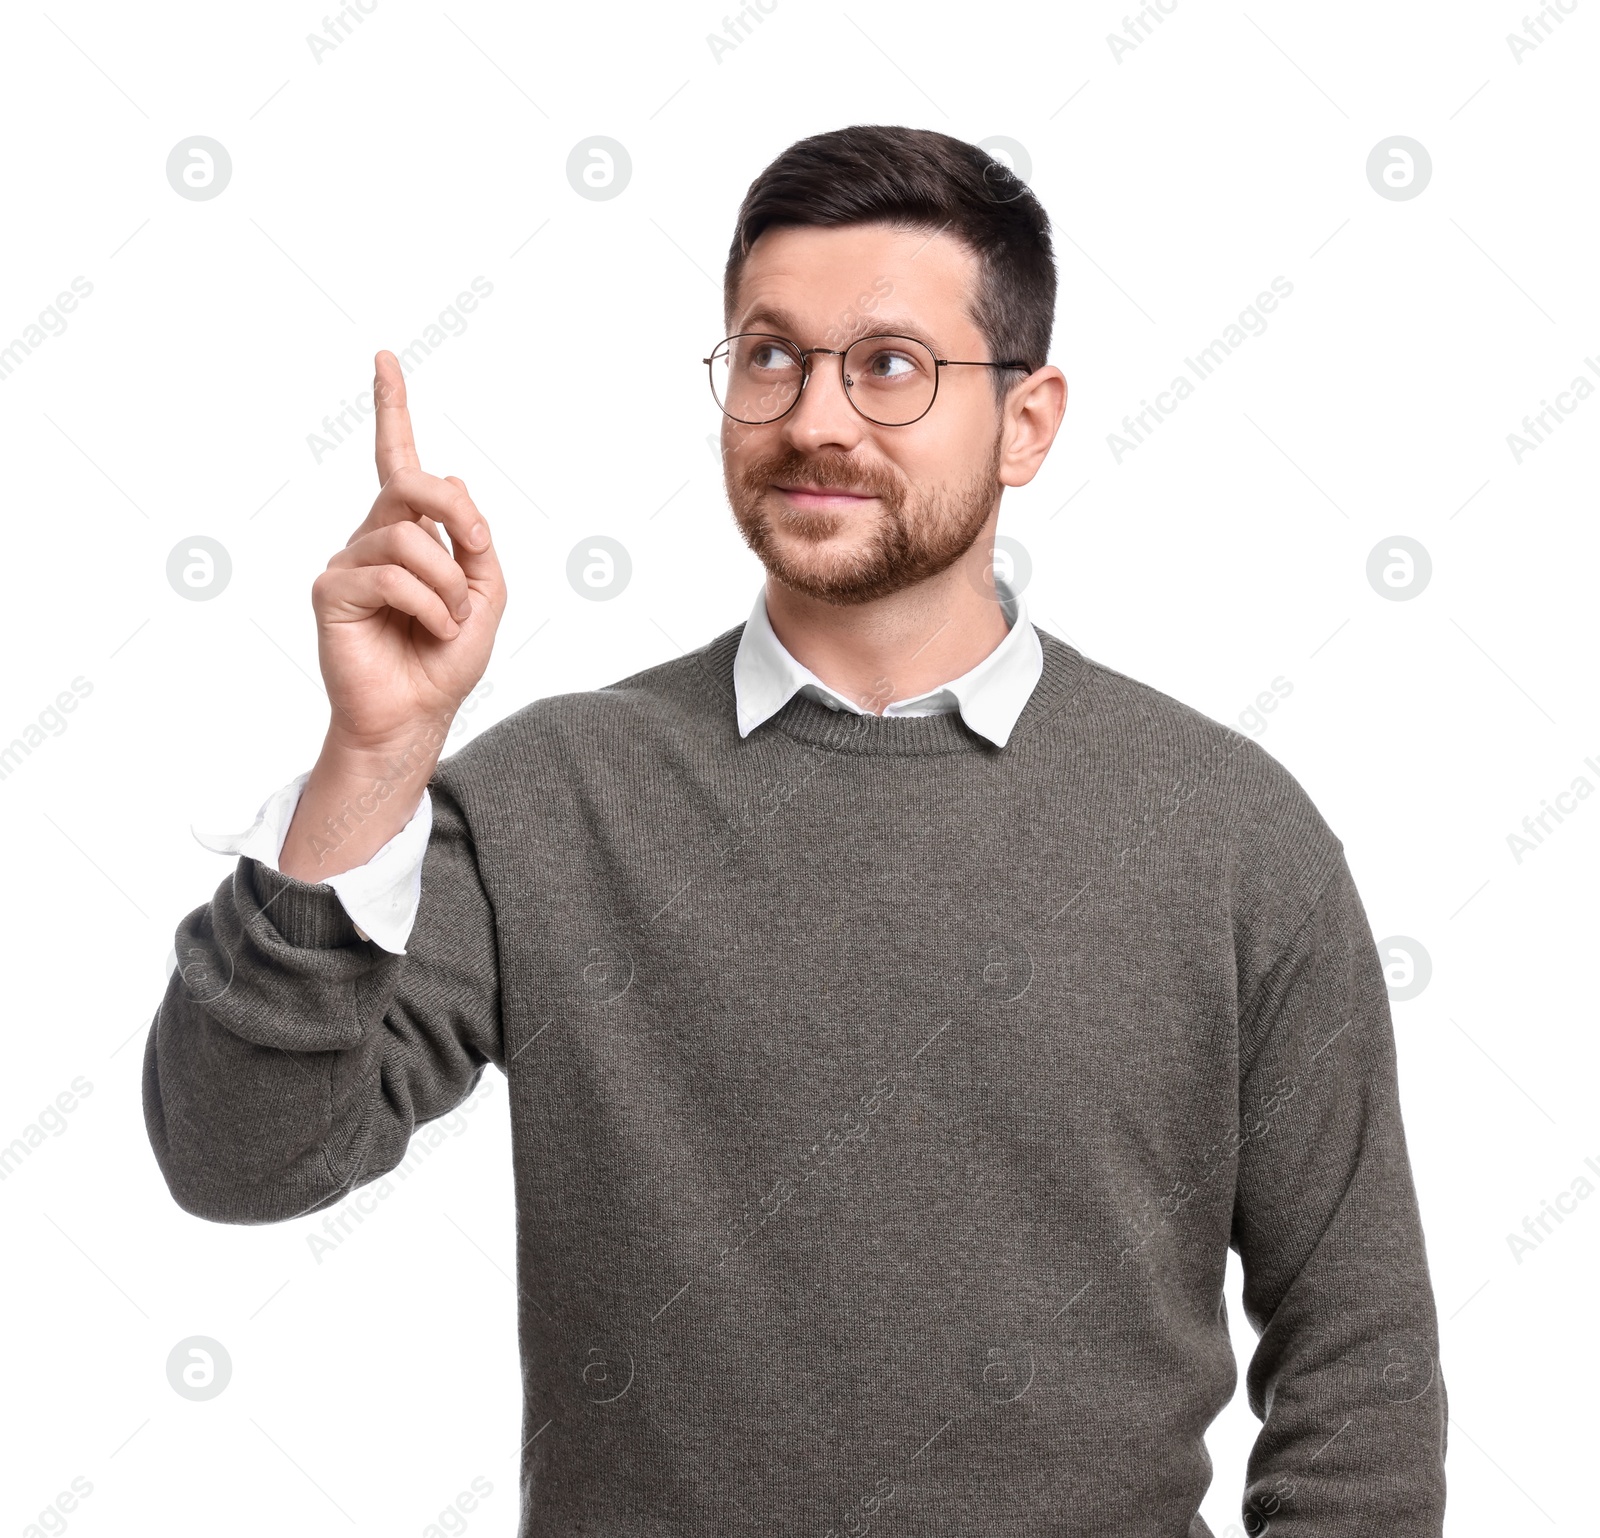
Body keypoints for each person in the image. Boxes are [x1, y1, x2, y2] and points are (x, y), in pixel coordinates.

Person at [144, 123, 1447, 1535]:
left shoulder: (1228, 832)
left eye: (889, 365)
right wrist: (375, 754)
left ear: (1028, 418)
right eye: (771, 355)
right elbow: (240, 1155)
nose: (817, 417)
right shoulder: (554, 797)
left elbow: (1359, 1355)